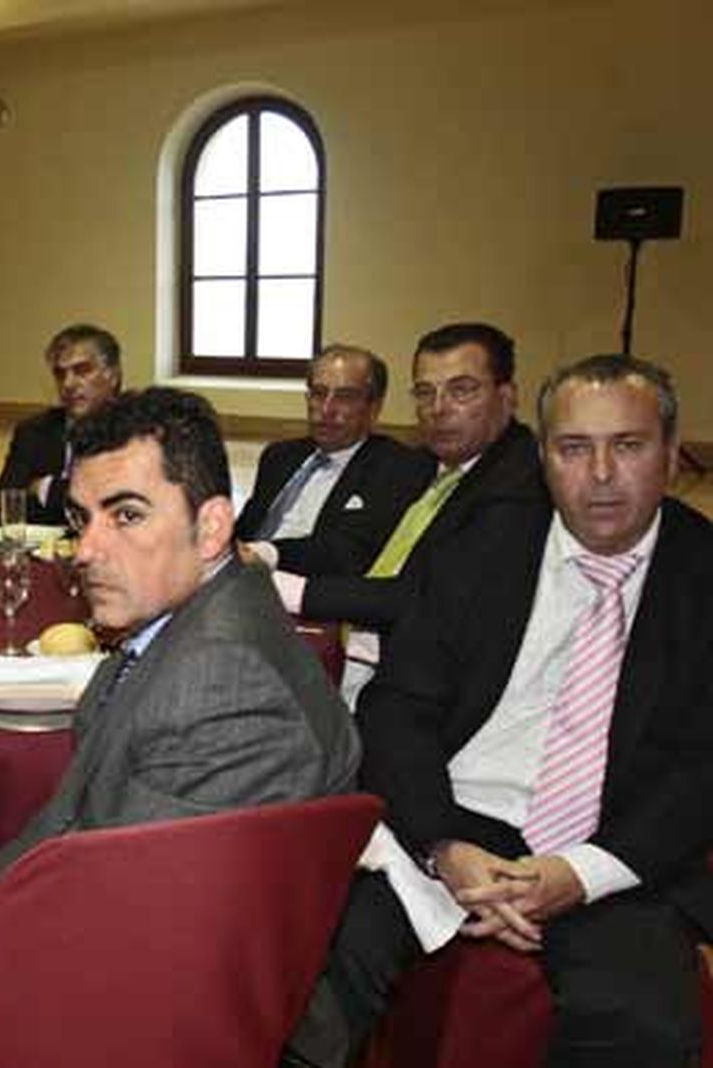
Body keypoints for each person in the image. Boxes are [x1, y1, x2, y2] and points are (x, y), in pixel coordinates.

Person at [0, 388, 362, 1068]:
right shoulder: (202, 615)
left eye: (127, 515)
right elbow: (70, 815)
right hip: (144, 934)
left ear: (211, 527)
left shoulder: (227, 687)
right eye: (82, 518)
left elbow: (118, 930)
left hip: (154, 1018)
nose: (86, 550)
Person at [286, 355, 713, 1068]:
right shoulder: (483, 549)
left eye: (629, 445)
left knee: (641, 1023)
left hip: (617, 845)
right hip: (456, 818)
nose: (601, 472)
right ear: (544, 456)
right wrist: (443, 845)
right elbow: (397, 708)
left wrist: (582, 872)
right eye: (575, 448)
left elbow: (702, 769)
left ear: (671, 454)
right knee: (318, 968)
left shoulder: (703, 575)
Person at [272, 323, 545, 699]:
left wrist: (289, 588)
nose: (438, 409)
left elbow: (423, 598)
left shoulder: (516, 489)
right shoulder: (429, 466)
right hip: (357, 646)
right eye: (424, 392)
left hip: (424, 687)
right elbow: (364, 546)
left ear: (507, 396)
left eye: (461, 390)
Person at [238, 344, 434, 577]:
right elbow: (244, 531)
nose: (327, 409)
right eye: (319, 393)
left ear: (374, 408)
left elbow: (347, 553)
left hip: (308, 593)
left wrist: (264, 553)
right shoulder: (279, 456)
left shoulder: (397, 468)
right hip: (243, 582)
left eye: (345, 397)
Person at [0, 322, 123, 525]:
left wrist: (45, 488)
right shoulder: (33, 431)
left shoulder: (136, 432)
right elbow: (8, 504)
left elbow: (118, 509)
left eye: (82, 370)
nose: (68, 384)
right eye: (60, 374)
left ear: (112, 376)